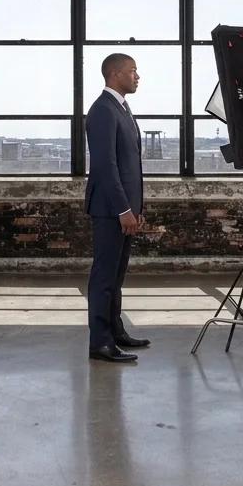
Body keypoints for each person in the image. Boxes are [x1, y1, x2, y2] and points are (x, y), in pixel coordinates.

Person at [84, 53, 150, 363]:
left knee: (116, 276)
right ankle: (100, 343)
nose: (137, 76)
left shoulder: (122, 107)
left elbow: (131, 164)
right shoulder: (102, 111)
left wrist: (137, 207)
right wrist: (123, 208)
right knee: (104, 277)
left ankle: (115, 330)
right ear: (114, 74)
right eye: (132, 71)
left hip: (125, 208)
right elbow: (105, 167)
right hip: (110, 209)